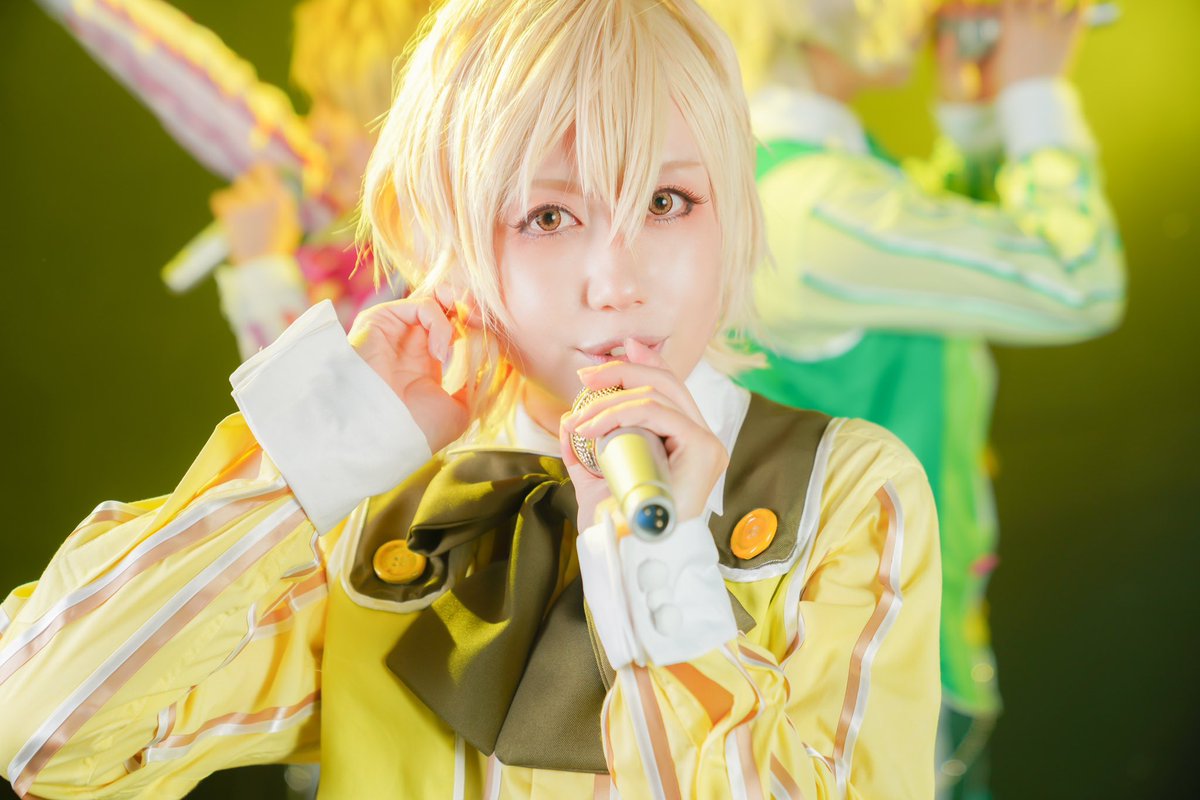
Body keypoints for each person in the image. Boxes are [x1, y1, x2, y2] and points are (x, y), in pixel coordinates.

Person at [0, 1, 941, 797]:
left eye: (666, 202)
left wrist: (667, 573)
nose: (619, 283)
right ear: (439, 235)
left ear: (731, 205)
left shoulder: (846, 493)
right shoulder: (379, 517)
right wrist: (319, 452)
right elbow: (42, 736)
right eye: (549, 215)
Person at [699, 0, 1126, 795]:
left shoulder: (799, 175)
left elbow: (939, 270)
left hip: (869, 647)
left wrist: (973, 125)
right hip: (859, 674)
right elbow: (1078, 282)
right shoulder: (815, 205)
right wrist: (1034, 97)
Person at [211, 0, 429, 360]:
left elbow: (318, 395)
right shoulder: (352, 259)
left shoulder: (434, 288)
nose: (316, 131)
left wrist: (264, 273)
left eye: (336, 105)